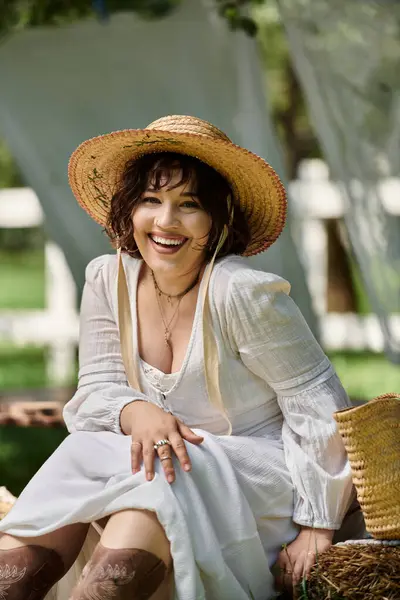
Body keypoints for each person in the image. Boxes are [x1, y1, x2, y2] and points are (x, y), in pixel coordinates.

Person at [0, 115, 360, 600]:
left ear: (217, 220)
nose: (165, 222)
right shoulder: (109, 280)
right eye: (151, 200)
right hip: (159, 464)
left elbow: (321, 408)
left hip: (257, 472)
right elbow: (97, 390)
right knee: (112, 464)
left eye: (189, 205)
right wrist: (136, 410)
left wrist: (317, 526)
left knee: (153, 480)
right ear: (129, 209)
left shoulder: (243, 294)